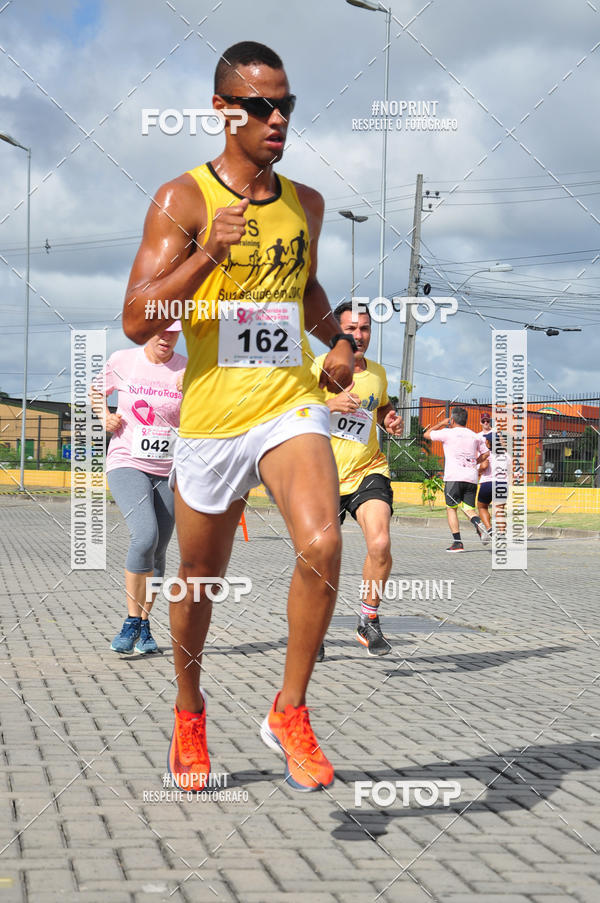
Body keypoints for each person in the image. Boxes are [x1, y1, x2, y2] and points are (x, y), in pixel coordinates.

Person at [121, 41, 355, 793]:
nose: (277, 118)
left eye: (286, 105)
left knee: (323, 540)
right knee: (198, 579)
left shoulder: (307, 203)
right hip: (212, 419)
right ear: (224, 110)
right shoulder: (182, 198)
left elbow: (306, 289)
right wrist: (205, 258)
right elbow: (136, 318)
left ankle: (291, 709)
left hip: (287, 402)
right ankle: (189, 711)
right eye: (260, 106)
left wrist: (339, 342)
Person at [312, 302, 403, 658]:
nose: (359, 336)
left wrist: (389, 419)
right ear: (336, 332)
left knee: (380, 543)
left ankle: (368, 620)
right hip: (322, 475)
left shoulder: (377, 373)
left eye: (365, 328)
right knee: (319, 557)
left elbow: (381, 408)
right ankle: (314, 625)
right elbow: (288, 412)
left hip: (368, 470)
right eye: (351, 329)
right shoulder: (316, 367)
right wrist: (328, 406)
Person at [93, 323, 186, 653]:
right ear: (147, 331)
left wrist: (194, 390)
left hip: (169, 469)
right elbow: (95, 391)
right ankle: (132, 621)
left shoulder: (187, 368)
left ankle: (144, 625)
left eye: (174, 332)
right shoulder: (123, 360)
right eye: (161, 331)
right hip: (127, 460)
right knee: (145, 536)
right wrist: (104, 416)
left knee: (158, 549)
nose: (167, 337)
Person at [423, 407, 489, 552]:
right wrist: (474, 462)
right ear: (466, 420)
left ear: (452, 420)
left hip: (454, 477)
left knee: (451, 508)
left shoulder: (447, 432)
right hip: (471, 477)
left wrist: (441, 423)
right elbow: (486, 453)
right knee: (468, 508)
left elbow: (426, 434)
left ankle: (458, 543)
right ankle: (478, 523)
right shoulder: (475, 436)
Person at [476, 431, 508, 535]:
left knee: (482, 507)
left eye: (486, 440)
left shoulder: (487, 454)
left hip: (488, 482)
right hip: (503, 483)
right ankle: (502, 533)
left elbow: (484, 466)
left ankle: (489, 529)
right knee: (499, 509)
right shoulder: (506, 455)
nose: (485, 441)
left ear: (489, 442)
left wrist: (478, 471)